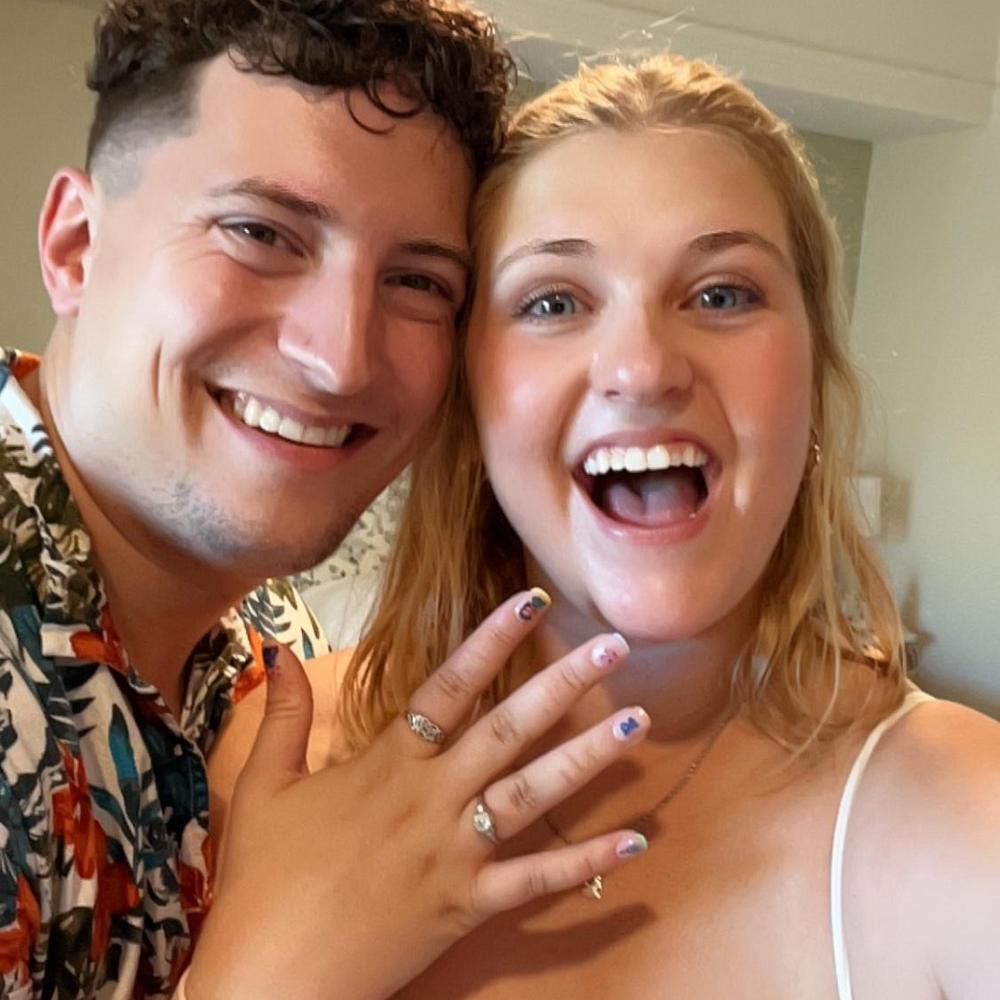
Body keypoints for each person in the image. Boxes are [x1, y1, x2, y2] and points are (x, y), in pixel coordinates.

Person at [214, 54, 1000, 996]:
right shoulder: (288, 761)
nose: (642, 368)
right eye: (553, 302)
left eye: (722, 294)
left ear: (813, 373)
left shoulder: (969, 818)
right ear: (470, 396)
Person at [0, 3, 658, 998]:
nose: (341, 356)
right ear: (76, 246)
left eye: (417, 282)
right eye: (260, 232)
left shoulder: (268, 647)